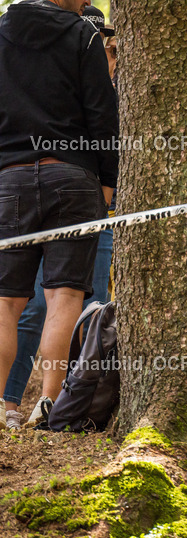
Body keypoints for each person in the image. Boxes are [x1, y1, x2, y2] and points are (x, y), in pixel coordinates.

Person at [0, 0, 118, 430]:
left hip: (9, 178)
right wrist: (108, 181)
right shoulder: (83, 35)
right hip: (72, 177)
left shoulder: (1, 33)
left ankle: (1, 404)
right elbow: (103, 114)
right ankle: (48, 404)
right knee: (64, 297)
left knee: (5, 300)